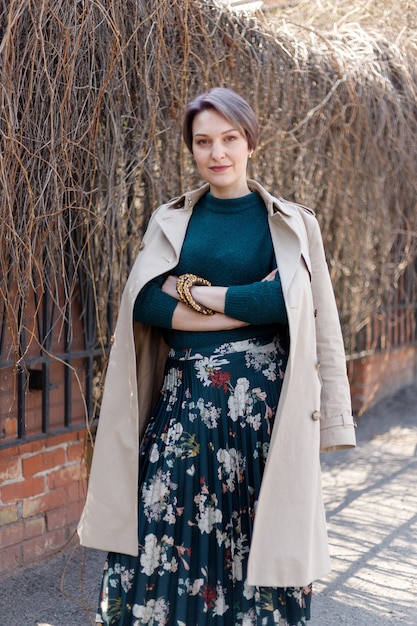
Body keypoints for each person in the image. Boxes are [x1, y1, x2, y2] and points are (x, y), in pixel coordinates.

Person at [77, 87, 356, 626]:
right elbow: (146, 305)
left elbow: (293, 304)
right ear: (192, 149)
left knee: (259, 539)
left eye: (229, 138)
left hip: (263, 417)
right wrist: (242, 305)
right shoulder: (170, 221)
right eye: (203, 142)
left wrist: (198, 293)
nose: (217, 153)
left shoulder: (295, 225)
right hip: (183, 408)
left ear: (251, 142)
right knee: (165, 530)